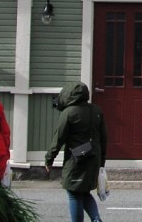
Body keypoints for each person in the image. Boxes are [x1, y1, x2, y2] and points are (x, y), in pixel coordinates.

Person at [45, 82, 108, 222]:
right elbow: (103, 137)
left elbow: (58, 138)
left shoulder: (69, 112)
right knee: (84, 192)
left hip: (76, 158)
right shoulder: (97, 111)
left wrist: (49, 159)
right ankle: (96, 219)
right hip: (94, 157)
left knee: (74, 193)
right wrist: (102, 160)